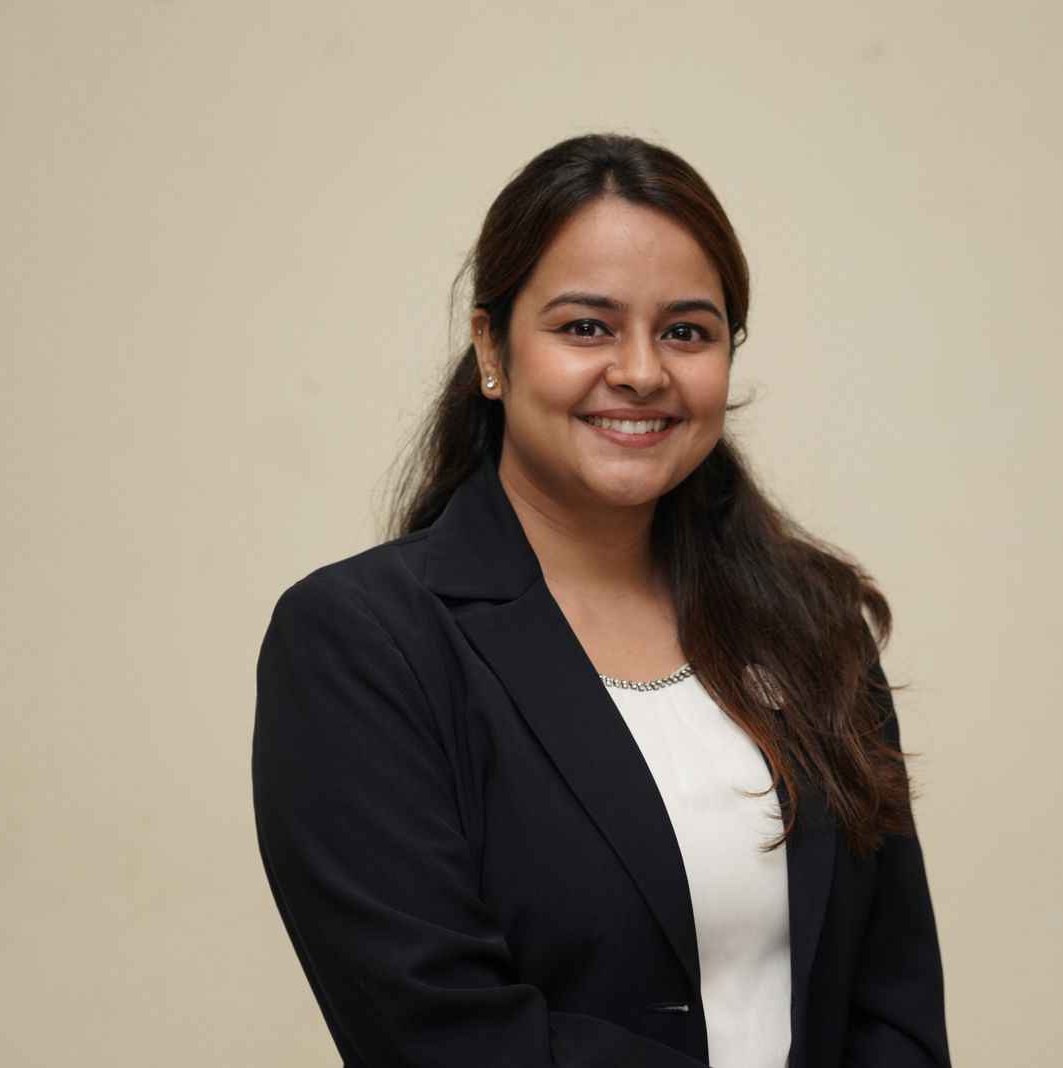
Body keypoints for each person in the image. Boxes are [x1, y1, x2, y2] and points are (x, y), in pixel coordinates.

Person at [252, 132, 950, 1068]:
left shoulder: (811, 622)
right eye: (587, 327)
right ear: (491, 348)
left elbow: (893, 1000)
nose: (642, 371)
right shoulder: (364, 643)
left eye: (686, 331)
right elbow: (443, 1036)